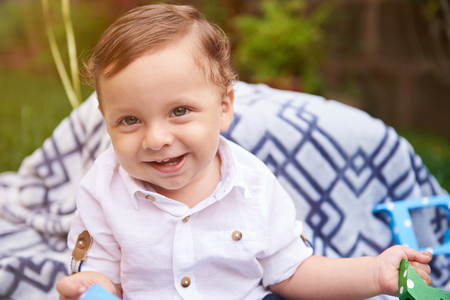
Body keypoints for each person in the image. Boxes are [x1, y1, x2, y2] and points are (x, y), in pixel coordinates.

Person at [56, 4, 433, 300]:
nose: (156, 139)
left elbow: (291, 272)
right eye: (130, 120)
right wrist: (88, 286)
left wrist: (373, 274)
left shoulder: (253, 184)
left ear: (223, 108)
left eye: (179, 111)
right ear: (105, 120)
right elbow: (103, 275)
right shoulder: (102, 190)